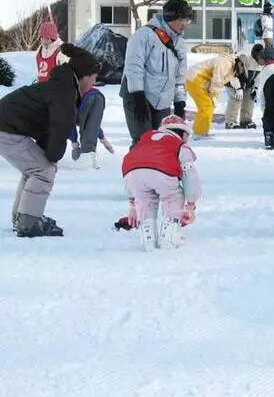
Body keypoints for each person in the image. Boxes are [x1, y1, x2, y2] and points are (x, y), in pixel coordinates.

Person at [0, 44, 100, 237]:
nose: (93, 84)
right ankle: (28, 222)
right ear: (85, 75)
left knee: (37, 167)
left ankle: (23, 218)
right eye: (94, 78)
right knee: (43, 169)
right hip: (6, 128)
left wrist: (48, 153)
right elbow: (59, 125)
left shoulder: (61, 86)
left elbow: (46, 125)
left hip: (7, 126)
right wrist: (52, 155)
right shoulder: (65, 92)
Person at [121, 115, 202, 251]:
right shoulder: (180, 146)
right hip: (162, 171)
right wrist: (191, 204)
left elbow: (131, 166)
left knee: (145, 200)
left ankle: (148, 239)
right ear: (182, 134)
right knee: (174, 196)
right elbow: (190, 177)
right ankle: (168, 238)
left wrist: (133, 204)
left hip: (131, 171)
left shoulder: (145, 139)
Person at [120, 0, 191, 147]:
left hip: (162, 102)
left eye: (187, 20)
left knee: (161, 143)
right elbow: (134, 67)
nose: (185, 24)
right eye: (183, 19)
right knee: (143, 142)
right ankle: (136, 169)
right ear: (172, 17)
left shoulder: (180, 44)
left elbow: (180, 77)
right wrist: (137, 96)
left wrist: (180, 103)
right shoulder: (145, 35)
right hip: (139, 97)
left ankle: (157, 171)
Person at [185, 54, 248, 139]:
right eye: (243, 68)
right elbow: (217, 81)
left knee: (208, 106)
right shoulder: (225, 63)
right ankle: (199, 133)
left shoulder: (232, 67)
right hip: (195, 78)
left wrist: (239, 88)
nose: (242, 71)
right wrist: (214, 95)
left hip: (200, 80)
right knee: (206, 105)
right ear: (240, 63)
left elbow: (232, 78)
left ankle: (201, 131)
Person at [69, 83, 114, 170]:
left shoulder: (67, 101)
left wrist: (74, 142)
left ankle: (86, 165)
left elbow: (70, 121)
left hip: (87, 99)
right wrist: (103, 138)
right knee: (89, 130)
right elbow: (93, 124)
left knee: (87, 141)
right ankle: (90, 161)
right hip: (99, 96)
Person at [224, 53, 258, 130]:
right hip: (232, 81)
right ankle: (230, 121)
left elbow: (257, 76)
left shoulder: (261, 64)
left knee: (249, 98)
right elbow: (233, 75)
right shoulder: (236, 62)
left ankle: (245, 120)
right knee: (236, 98)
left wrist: (255, 87)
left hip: (247, 82)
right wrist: (238, 88)